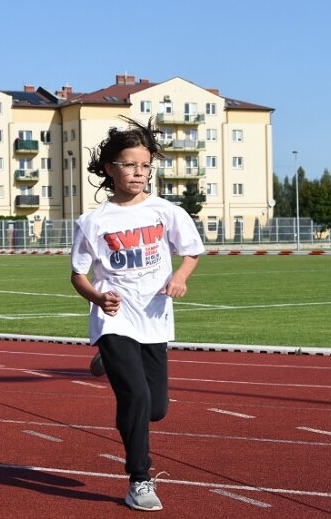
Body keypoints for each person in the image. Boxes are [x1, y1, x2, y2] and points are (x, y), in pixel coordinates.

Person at [70, 116, 204, 511]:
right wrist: (97, 298)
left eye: (145, 165)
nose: (139, 173)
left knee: (157, 408)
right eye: (130, 165)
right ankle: (139, 479)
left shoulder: (166, 212)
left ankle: (105, 362)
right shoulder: (93, 222)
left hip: (155, 319)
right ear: (111, 169)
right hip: (115, 320)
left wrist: (180, 276)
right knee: (136, 396)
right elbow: (77, 276)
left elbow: (191, 252)